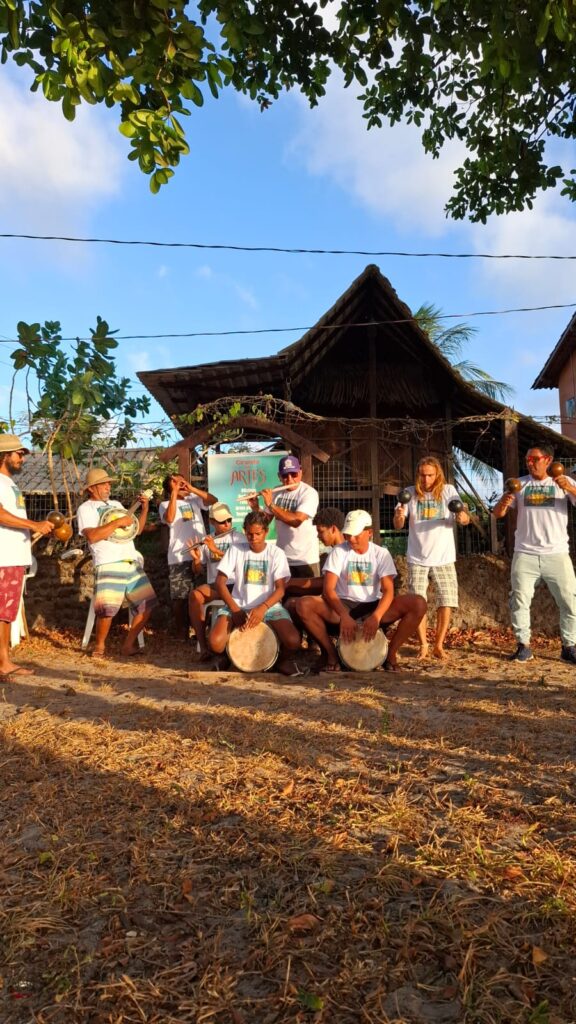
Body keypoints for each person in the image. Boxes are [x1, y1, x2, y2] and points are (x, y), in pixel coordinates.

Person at [297, 509, 426, 672]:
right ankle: (331, 654)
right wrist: (344, 615)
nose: (351, 538)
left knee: (418, 603)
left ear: (369, 533)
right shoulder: (338, 551)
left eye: (356, 534)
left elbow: (388, 591)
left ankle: (390, 654)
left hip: (373, 605)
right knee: (304, 604)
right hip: (342, 605)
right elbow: (328, 590)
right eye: (348, 534)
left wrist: (376, 616)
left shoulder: (381, 553)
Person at [492, 445, 576, 663]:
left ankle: (569, 647)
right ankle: (523, 646)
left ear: (548, 460)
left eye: (535, 459)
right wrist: (504, 501)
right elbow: (497, 514)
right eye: (528, 459)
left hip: (557, 553)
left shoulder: (562, 482)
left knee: (569, 601)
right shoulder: (519, 485)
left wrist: (569, 488)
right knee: (519, 600)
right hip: (525, 553)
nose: (530, 463)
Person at [393, 456, 470, 660]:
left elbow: (463, 517)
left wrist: (462, 517)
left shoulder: (448, 491)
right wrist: (399, 516)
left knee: (447, 600)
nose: (426, 479)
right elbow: (398, 525)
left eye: (430, 475)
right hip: (417, 557)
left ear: (438, 475)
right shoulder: (409, 493)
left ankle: (438, 645)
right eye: (422, 475)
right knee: (418, 603)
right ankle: (423, 645)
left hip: (443, 556)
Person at [76, 468, 157, 658]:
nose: (108, 487)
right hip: (108, 561)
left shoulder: (116, 504)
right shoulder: (85, 509)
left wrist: (144, 508)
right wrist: (117, 523)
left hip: (131, 560)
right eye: (103, 484)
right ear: (92, 488)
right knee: (107, 610)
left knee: (147, 604)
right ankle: (99, 647)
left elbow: (136, 530)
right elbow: (92, 536)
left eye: (108, 483)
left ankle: (128, 645)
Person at [209, 509, 301, 673]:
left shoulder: (276, 553)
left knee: (293, 641)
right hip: (238, 606)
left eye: (258, 534)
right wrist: (235, 609)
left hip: (269, 607)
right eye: (249, 534)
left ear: (266, 531)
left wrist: (262, 608)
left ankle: (278, 660)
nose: (253, 538)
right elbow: (220, 583)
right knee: (215, 643)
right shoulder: (235, 550)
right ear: (244, 531)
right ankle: (228, 656)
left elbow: (280, 589)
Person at [0, 435, 55, 677]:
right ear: (4, 455)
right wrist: (33, 524)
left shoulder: (9, 483)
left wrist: (36, 527)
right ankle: (3, 664)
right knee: (2, 613)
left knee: (5, 613)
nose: (22, 458)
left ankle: (4, 661)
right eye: (19, 454)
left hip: (12, 557)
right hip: (4, 557)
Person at [158, 473, 218, 639]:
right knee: (180, 597)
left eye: (183, 481)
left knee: (202, 594)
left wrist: (191, 488)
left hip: (201, 554)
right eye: (177, 482)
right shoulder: (165, 504)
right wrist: (175, 493)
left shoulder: (194, 499)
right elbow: (169, 518)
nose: (182, 484)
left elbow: (214, 500)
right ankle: (182, 633)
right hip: (179, 556)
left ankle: (201, 632)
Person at [187, 502, 243, 660]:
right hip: (216, 585)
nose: (227, 524)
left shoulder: (239, 538)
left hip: (236, 585)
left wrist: (216, 550)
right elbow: (198, 571)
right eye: (222, 521)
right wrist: (196, 560)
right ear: (212, 521)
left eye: (229, 520)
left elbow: (240, 561)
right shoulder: (207, 540)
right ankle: (203, 647)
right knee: (195, 596)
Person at [248, 454, 320, 577]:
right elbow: (264, 522)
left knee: (307, 590)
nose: (290, 479)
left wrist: (271, 504)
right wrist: (255, 507)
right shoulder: (276, 492)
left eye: (294, 474)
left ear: (300, 472)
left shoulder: (309, 493)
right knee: (283, 590)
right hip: (282, 557)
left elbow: (296, 521)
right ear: (279, 477)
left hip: (306, 559)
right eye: (285, 475)